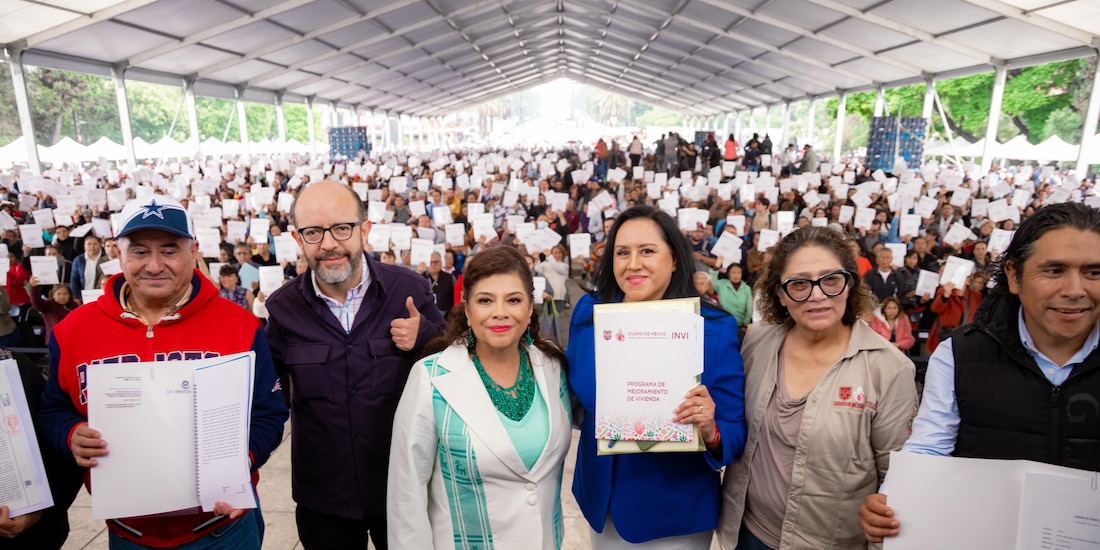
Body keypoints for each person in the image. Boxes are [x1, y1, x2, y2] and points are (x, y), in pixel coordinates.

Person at [37, 195, 288, 548]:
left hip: (221, 528)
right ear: (118, 253)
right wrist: (70, 433)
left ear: (194, 251)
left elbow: (268, 413)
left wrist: (238, 462)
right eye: (139, 251)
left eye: (169, 250)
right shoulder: (72, 330)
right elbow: (53, 408)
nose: (154, 266)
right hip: (128, 533)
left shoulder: (240, 326)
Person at [859, 201, 1100, 542]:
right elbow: (929, 447)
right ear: (1014, 275)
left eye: (1094, 273)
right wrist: (892, 501)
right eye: (1054, 271)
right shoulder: (959, 354)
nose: (1075, 290)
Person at [264, 180, 445, 550]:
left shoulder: (409, 291)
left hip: (402, 489)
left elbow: (454, 367)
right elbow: (265, 396)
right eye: (313, 232)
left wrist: (426, 337)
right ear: (298, 240)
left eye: (342, 228)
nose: (329, 243)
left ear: (365, 230)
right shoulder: (282, 309)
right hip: (324, 500)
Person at [718, 226, 917, 550]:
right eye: (799, 283)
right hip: (748, 532)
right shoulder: (756, 341)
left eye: (831, 280)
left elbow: (897, 481)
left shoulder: (889, 369)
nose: (817, 294)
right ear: (780, 293)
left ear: (850, 284)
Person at [567, 205, 747, 547]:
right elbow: (573, 393)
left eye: (647, 251)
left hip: (676, 511)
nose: (633, 263)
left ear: (675, 258)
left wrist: (711, 431)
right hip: (602, 503)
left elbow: (735, 429)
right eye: (622, 252)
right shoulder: (588, 315)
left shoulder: (714, 329)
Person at [388, 246, 572, 549]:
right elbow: (406, 495)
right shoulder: (430, 378)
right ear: (467, 309)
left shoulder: (552, 367)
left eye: (513, 300)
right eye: (485, 300)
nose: (500, 311)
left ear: (530, 308)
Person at [422, 251, 455, 318]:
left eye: (436, 262)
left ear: (441, 262)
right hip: (425, 317)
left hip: (446, 317)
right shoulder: (420, 278)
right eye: (430, 262)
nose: (433, 265)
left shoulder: (450, 278)